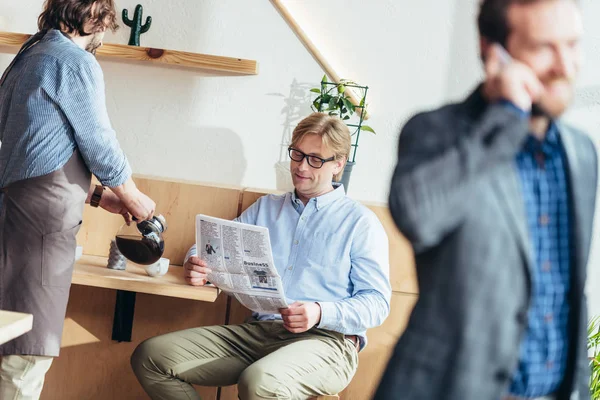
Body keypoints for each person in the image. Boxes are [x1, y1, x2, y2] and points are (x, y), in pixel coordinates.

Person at [376, 1, 596, 399]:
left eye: (573, 44)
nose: (566, 66)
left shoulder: (581, 153)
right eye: (544, 47)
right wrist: (510, 116)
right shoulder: (434, 132)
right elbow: (419, 217)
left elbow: (569, 291)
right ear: (493, 50)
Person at [131, 113, 391, 399]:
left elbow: (377, 303)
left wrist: (319, 312)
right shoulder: (266, 208)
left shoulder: (360, 222)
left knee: (260, 382)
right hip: (259, 332)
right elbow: (214, 245)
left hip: (329, 342)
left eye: (315, 159)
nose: (302, 166)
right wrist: (198, 262)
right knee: (151, 357)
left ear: (338, 164)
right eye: (297, 154)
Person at [0, 1, 156, 398]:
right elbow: (99, 142)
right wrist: (133, 196)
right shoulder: (74, 61)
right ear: (92, 17)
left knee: (8, 344)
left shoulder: (29, 54)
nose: (103, 37)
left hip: (14, 221)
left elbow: (30, 149)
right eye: (104, 24)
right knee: (23, 357)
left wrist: (98, 195)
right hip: (40, 234)